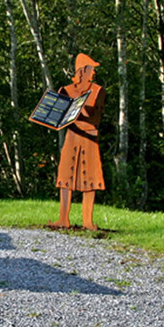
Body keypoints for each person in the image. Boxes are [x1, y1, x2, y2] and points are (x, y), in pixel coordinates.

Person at [55, 53, 105, 230]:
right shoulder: (66, 90)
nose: (93, 73)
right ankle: (63, 219)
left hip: (89, 137)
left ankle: (88, 222)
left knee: (90, 179)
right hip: (72, 137)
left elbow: (96, 119)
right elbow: (57, 117)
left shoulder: (98, 91)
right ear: (82, 71)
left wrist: (81, 110)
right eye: (91, 69)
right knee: (65, 177)